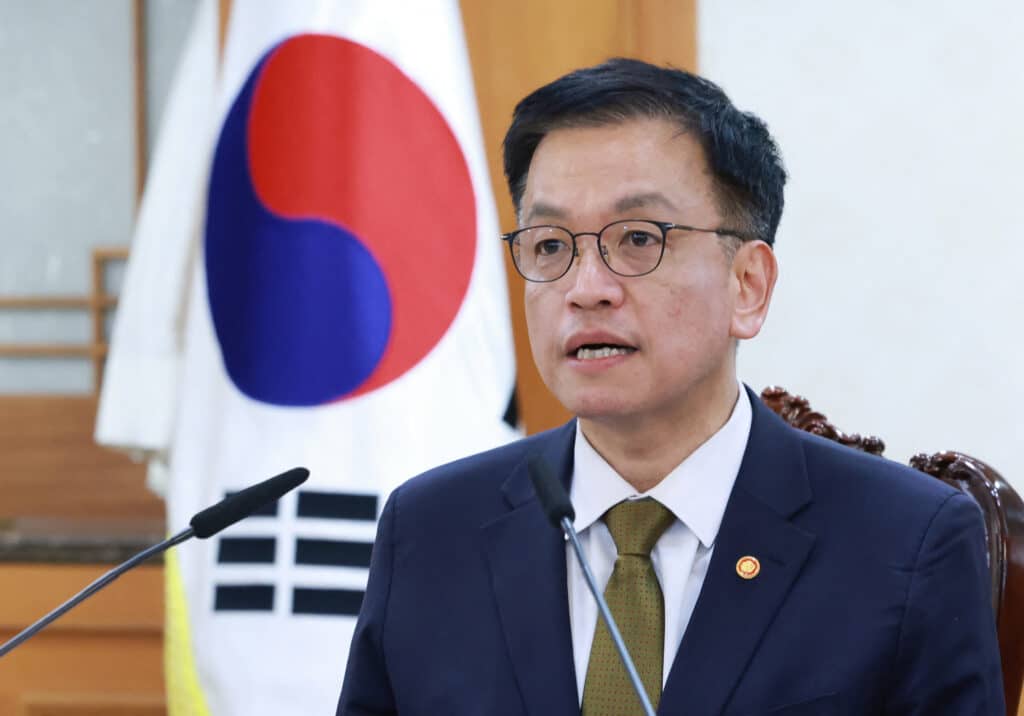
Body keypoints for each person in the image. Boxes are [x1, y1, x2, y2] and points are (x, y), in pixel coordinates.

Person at [337, 58, 1003, 715]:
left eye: (637, 239)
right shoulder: (431, 532)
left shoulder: (905, 543)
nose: (585, 289)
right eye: (548, 246)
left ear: (747, 286)